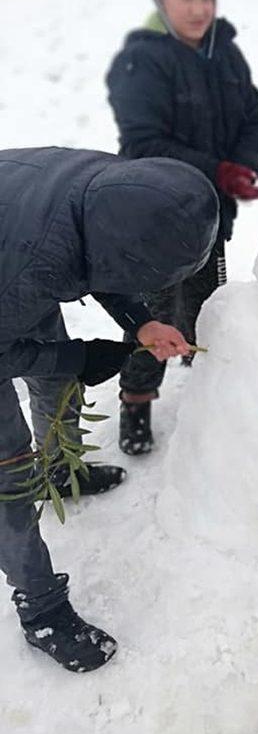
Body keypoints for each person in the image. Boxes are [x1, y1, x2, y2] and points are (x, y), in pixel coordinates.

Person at [0, 146, 218, 671]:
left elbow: (103, 258)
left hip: (13, 255)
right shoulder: (34, 268)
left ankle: (61, 467)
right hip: (13, 270)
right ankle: (42, 610)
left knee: (56, 378)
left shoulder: (120, 186)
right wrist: (81, 354)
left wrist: (139, 321)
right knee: (9, 471)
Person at [106, 0, 258, 456]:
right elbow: (143, 144)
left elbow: (252, 114)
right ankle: (136, 396)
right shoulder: (141, 61)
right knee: (156, 313)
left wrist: (245, 163)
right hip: (156, 218)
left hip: (211, 212)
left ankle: (204, 373)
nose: (199, 8)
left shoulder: (226, 51)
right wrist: (217, 169)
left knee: (204, 299)